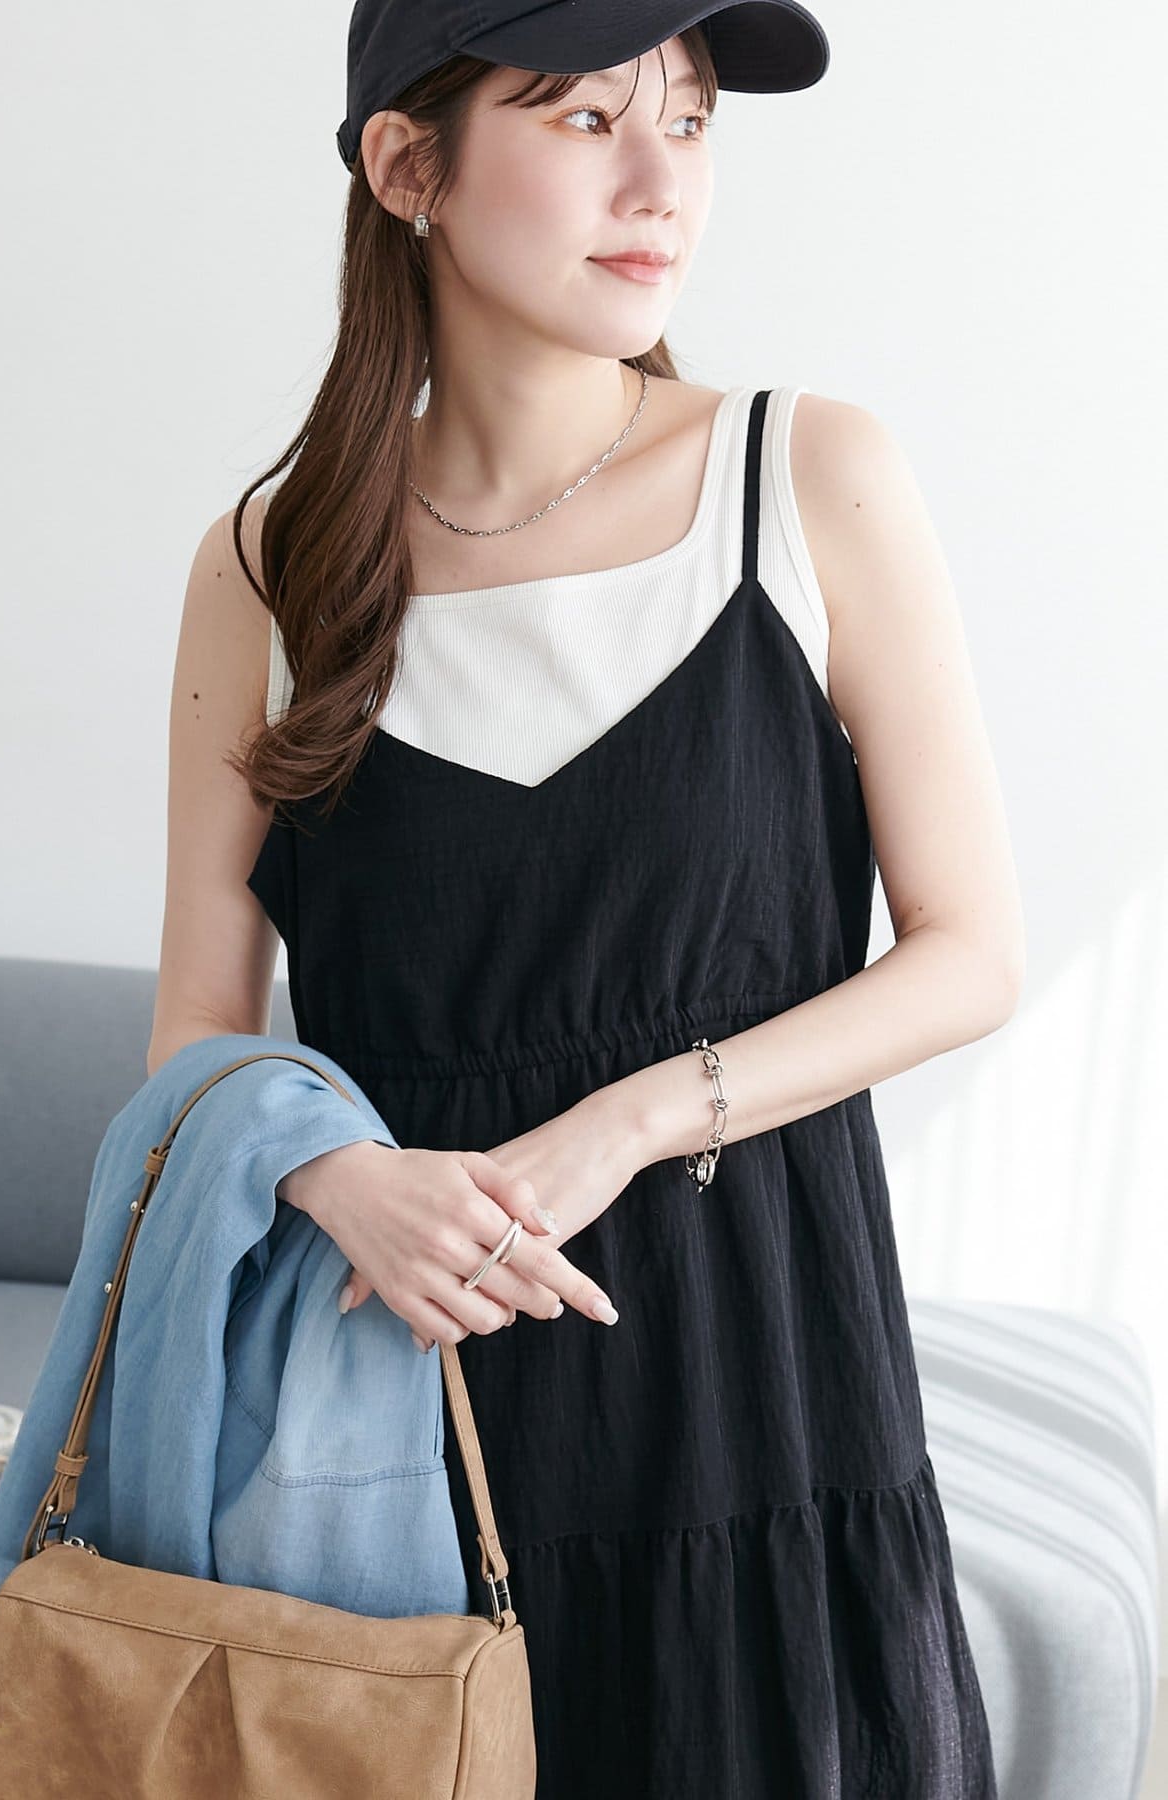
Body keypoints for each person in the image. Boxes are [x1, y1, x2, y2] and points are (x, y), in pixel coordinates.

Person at [149, 2, 1022, 1792]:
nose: (660, 184)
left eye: (688, 124)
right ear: (410, 167)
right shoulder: (269, 570)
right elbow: (194, 1035)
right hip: (413, 1428)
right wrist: (337, 1175)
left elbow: (973, 956)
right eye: (583, 119)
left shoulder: (805, 477)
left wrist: (628, 1121)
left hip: (767, 1398)